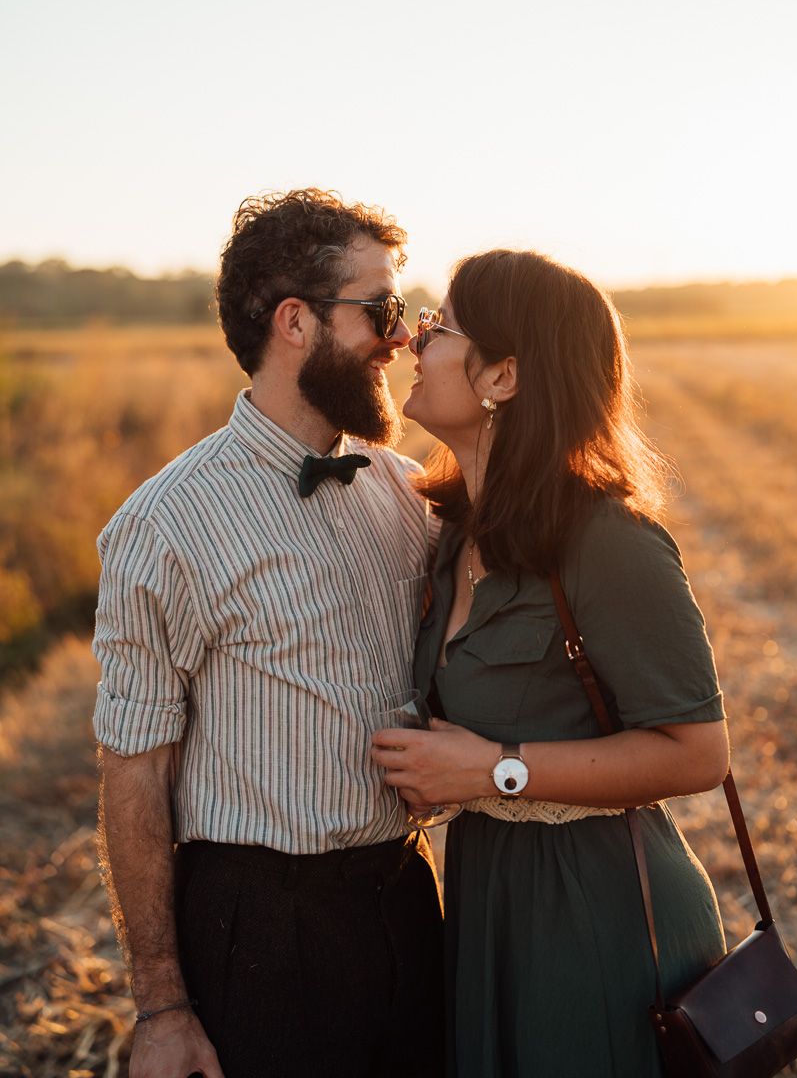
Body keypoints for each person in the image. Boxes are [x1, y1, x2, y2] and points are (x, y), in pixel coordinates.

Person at [93, 189, 444, 1078]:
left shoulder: (409, 493)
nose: (399, 338)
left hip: (409, 899)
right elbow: (134, 771)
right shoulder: (167, 524)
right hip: (258, 932)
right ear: (296, 321)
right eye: (381, 310)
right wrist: (162, 1005)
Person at [372, 249, 730, 1078]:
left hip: (598, 915)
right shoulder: (452, 536)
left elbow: (700, 752)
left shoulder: (609, 542)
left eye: (439, 324)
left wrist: (492, 771)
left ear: (503, 375)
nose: (414, 341)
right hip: (489, 903)